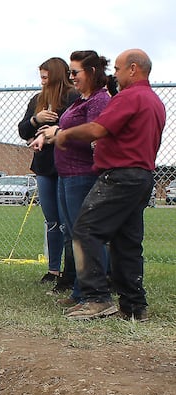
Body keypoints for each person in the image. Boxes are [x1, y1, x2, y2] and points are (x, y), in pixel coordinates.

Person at [50, 49, 165, 321]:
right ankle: (134, 306)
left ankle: (96, 298)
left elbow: (98, 129)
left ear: (134, 69)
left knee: (85, 229)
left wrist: (64, 134)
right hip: (141, 176)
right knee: (127, 241)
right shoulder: (153, 100)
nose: (116, 74)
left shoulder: (130, 97)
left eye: (119, 68)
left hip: (120, 176)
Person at [32, 50, 114, 312]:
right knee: (75, 234)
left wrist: (60, 132)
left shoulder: (99, 100)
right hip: (67, 175)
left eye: (75, 73)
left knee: (86, 235)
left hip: (84, 175)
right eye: (69, 73)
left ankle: (97, 295)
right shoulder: (81, 100)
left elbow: (94, 134)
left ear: (90, 73)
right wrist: (50, 134)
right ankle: (81, 291)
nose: (71, 77)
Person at [18, 57, 79, 291]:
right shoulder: (37, 100)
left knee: (67, 221)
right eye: (40, 77)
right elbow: (24, 130)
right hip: (44, 166)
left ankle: (69, 270)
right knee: (51, 220)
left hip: (67, 165)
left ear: (56, 75)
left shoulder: (72, 97)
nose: (42, 81)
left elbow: (76, 128)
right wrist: (37, 119)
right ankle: (53, 269)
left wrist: (55, 129)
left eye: (46, 76)